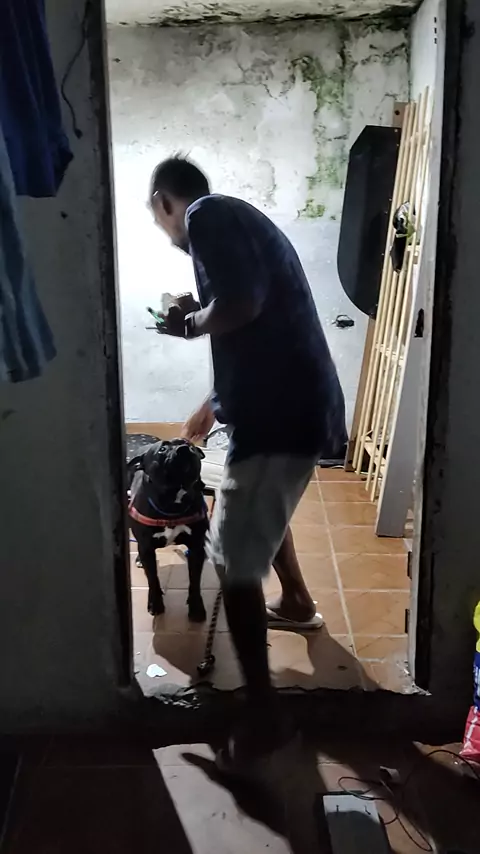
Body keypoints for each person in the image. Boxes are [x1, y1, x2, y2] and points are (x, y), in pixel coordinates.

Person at [149, 156, 347, 760]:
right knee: (265, 511)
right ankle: (297, 602)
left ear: (164, 203)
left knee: (233, 558)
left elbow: (240, 306)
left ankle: (265, 716)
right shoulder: (234, 219)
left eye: (157, 216)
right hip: (293, 404)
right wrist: (214, 403)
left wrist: (190, 323)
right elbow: (255, 328)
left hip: (278, 417)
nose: (163, 227)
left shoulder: (205, 216)